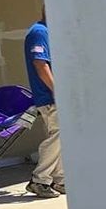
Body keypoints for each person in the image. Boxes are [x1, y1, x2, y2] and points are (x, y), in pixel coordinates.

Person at [24, 11, 64, 197]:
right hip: (49, 97)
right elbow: (40, 65)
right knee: (58, 135)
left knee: (62, 137)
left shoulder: (48, 32)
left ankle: (60, 179)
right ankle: (40, 179)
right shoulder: (39, 32)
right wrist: (58, 92)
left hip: (53, 96)